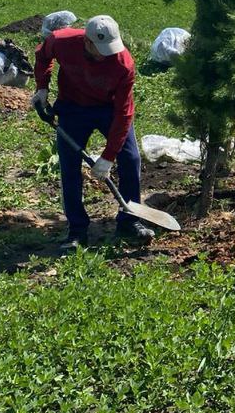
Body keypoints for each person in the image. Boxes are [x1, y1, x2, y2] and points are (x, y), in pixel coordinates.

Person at [32, 14, 151, 250]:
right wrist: (42, 88)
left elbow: (124, 113)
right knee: (69, 167)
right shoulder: (62, 41)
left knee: (131, 158)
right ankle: (77, 230)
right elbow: (42, 56)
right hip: (73, 108)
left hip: (109, 109)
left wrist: (108, 157)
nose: (107, 54)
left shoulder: (123, 63)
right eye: (101, 49)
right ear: (87, 42)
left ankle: (129, 221)